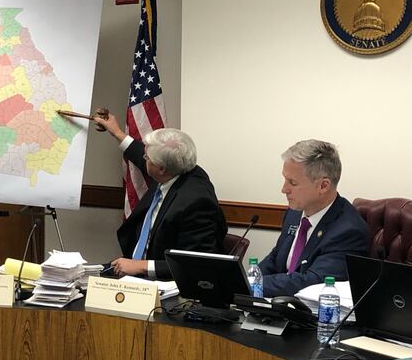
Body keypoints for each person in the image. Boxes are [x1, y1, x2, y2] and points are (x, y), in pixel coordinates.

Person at [94, 114, 226, 279]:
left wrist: (142, 266)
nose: (144, 159)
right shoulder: (178, 167)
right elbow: (142, 157)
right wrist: (117, 133)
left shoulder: (196, 201)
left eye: (147, 158)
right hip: (133, 270)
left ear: (162, 168)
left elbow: (196, 263)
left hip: (161, 283)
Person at [258, 140, 368, 297]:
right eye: (285, 179)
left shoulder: (349, 231)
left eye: (293, 183)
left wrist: (254, 285)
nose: (284, 189)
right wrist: (244, 280)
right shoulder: (294, 213)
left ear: (323, 186)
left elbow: (311, 282)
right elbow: (276, 258)